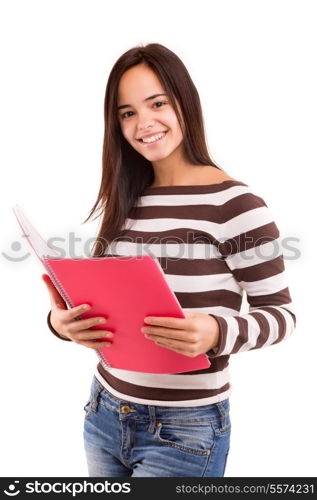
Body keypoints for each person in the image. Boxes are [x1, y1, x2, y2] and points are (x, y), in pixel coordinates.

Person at [42, 43, 296, 477]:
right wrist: (61, 323)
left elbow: (282, 316)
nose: (144, 124)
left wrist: (217, 330)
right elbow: (110, 306)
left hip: (185, 431)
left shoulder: (235, 204)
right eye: (127, 113)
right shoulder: (126, 199)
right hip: (104, 412)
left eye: (157, 103)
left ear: (185, 102)